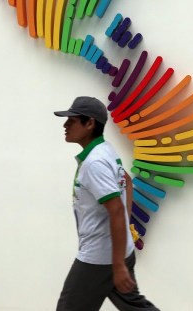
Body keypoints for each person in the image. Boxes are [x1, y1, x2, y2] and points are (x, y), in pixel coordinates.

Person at [54, 96, 159, 311]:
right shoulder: (105, 150)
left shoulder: (95, 162)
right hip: (117, 251)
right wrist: (126, 234)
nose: (65, 125)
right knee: (135, 306)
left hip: (99, 258)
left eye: (72, 120)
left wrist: (118, 264)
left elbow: (116, 209)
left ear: (90, 123)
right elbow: (127, 183)